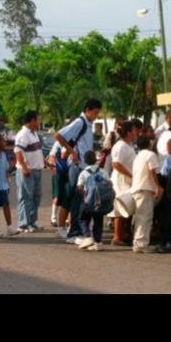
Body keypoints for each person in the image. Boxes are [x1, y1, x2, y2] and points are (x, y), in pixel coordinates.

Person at [54, 99, 102, 244]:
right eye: (95, 112)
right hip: (76, 167)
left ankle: (77, 231)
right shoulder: (80, 122)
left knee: (80, 200)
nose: (96, 115)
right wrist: (72, 152)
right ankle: (73, 233)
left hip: (83, 167)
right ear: (87, 110)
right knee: (76, 200)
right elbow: (58, 135)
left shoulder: (87, 123)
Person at [130, 135, 161, 253]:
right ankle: (141, 245)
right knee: (145, 217)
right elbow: (153, 171)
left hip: (138, 188)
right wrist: (157, 187)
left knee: (140, 217)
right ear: (149, 143)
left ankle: (138, 243)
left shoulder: (138, 156)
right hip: (145, 189)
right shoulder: (150, 155)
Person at [15, 110, 45, 233]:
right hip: (27, 170)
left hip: (36, 169)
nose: (39, 122)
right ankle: (23, 224)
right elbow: (18, 151)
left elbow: (36, 151)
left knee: (36, 197)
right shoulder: (23, 134)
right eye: (37, 119)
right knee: (26, 197)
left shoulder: (34, 134)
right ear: (32, 120)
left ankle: (32, 221)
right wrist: (25, 167)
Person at [75, 150, 109, 251]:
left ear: (85, 161)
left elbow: (80, 187)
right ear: (95, 160)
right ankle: (98, 242)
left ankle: (88, 236)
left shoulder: (83, 173)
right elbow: (109, 184)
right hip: (100, 202)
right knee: (98, 221)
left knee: (82, 219)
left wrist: (85, 195)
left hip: (88, 201)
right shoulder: (103, 171)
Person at [110, 121, 137, 246]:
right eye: (134, 130)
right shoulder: (120, 146)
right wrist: (130, 174)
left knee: (128, 207)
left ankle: (124, 234)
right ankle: (117, 236)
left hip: (128, 181)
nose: (136, 133)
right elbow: (116, 164)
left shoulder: (129, 145)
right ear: (128, 132)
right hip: (121, 181)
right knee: (120, 208)